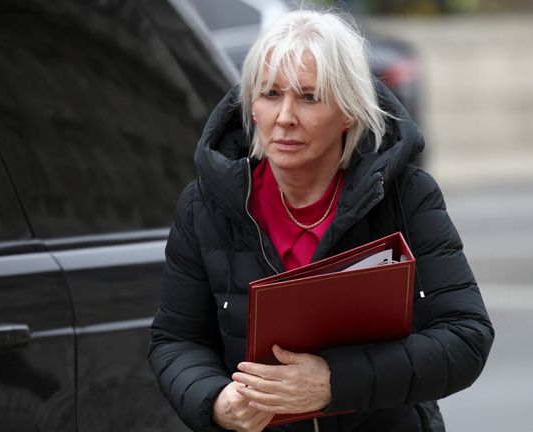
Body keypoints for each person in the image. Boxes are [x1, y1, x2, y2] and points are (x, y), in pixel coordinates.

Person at [149, 8, 494, 432]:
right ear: (251, 106)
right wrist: (216, 400)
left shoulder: (405, 194)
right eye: (270, 94)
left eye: (309, 97)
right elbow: (176, 340)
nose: (285, 117)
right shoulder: (205, 204)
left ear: (348, 111)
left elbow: (466, 336)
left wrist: (333, 382)